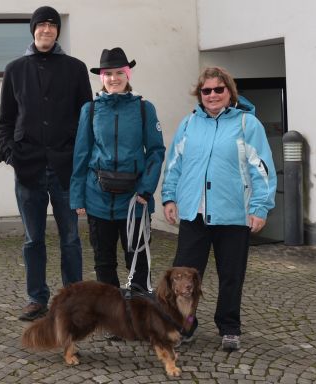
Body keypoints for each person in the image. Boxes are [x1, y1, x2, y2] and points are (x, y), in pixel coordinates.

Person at [161, 66, 276, 351]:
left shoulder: (248, 124)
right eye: (206, 90)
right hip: (193, 214)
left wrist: (260, 208)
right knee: (183, 279)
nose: (212, 95)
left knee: (231, 275)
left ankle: (229, 327)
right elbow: (174, 165)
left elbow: (262, 169)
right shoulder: (189, 124)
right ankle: (185, 326)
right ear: (199, 95)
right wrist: (169, 198)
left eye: (218, 89)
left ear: (229, 92)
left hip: (234, 214)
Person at [0, 6, 92, 321]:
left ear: (58, 32)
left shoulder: (76, 69)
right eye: (41, 26)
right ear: (33, 30)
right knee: (33, 239)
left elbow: (86, 119)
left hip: (65, 169)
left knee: (71, 238)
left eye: (52, 26)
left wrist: (81, 159)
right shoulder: (15, 69)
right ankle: (36, 298)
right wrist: (10, 153)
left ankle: (73, 298)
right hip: (28, 167)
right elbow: (5, 120)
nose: (47, 30)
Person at [70, 47, 165, 293]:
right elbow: (81, 154)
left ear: (128, 75)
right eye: (108, 73)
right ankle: (112, 318)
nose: (114, 78)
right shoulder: (89, 110)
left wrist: (146, 189)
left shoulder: (145, 109)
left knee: (137, 261)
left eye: (119, 73)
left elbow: (156, 152)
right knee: (104, 263)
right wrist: (77, 196)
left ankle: (140, 314)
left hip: (135, 200)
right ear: (101, 77)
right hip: (97, 199)